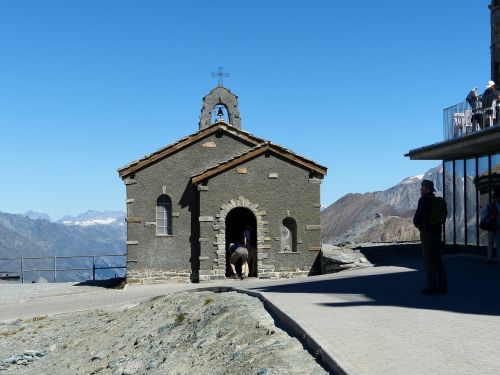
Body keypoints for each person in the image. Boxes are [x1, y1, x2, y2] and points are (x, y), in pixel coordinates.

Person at [413, 179, 448, 295]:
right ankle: (443, 285)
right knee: (438, 259)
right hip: (437, 232)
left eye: (421, 187)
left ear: (425, 189)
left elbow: (417, 218)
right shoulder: (438, 201)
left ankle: (432, 286)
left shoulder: (423, 200)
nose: (420, 189)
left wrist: (420, 227)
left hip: (427, 232)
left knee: (428, 260)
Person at [484, 191, 500, 263]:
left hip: (495, 226)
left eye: (494, 198)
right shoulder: (490, 205)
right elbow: (485, 214)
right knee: (493, 242)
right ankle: (491, 257)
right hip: (494, 226)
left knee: (495, 242)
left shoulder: (493, 205)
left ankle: (491, 258)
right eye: (494, 198)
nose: (494, 199)